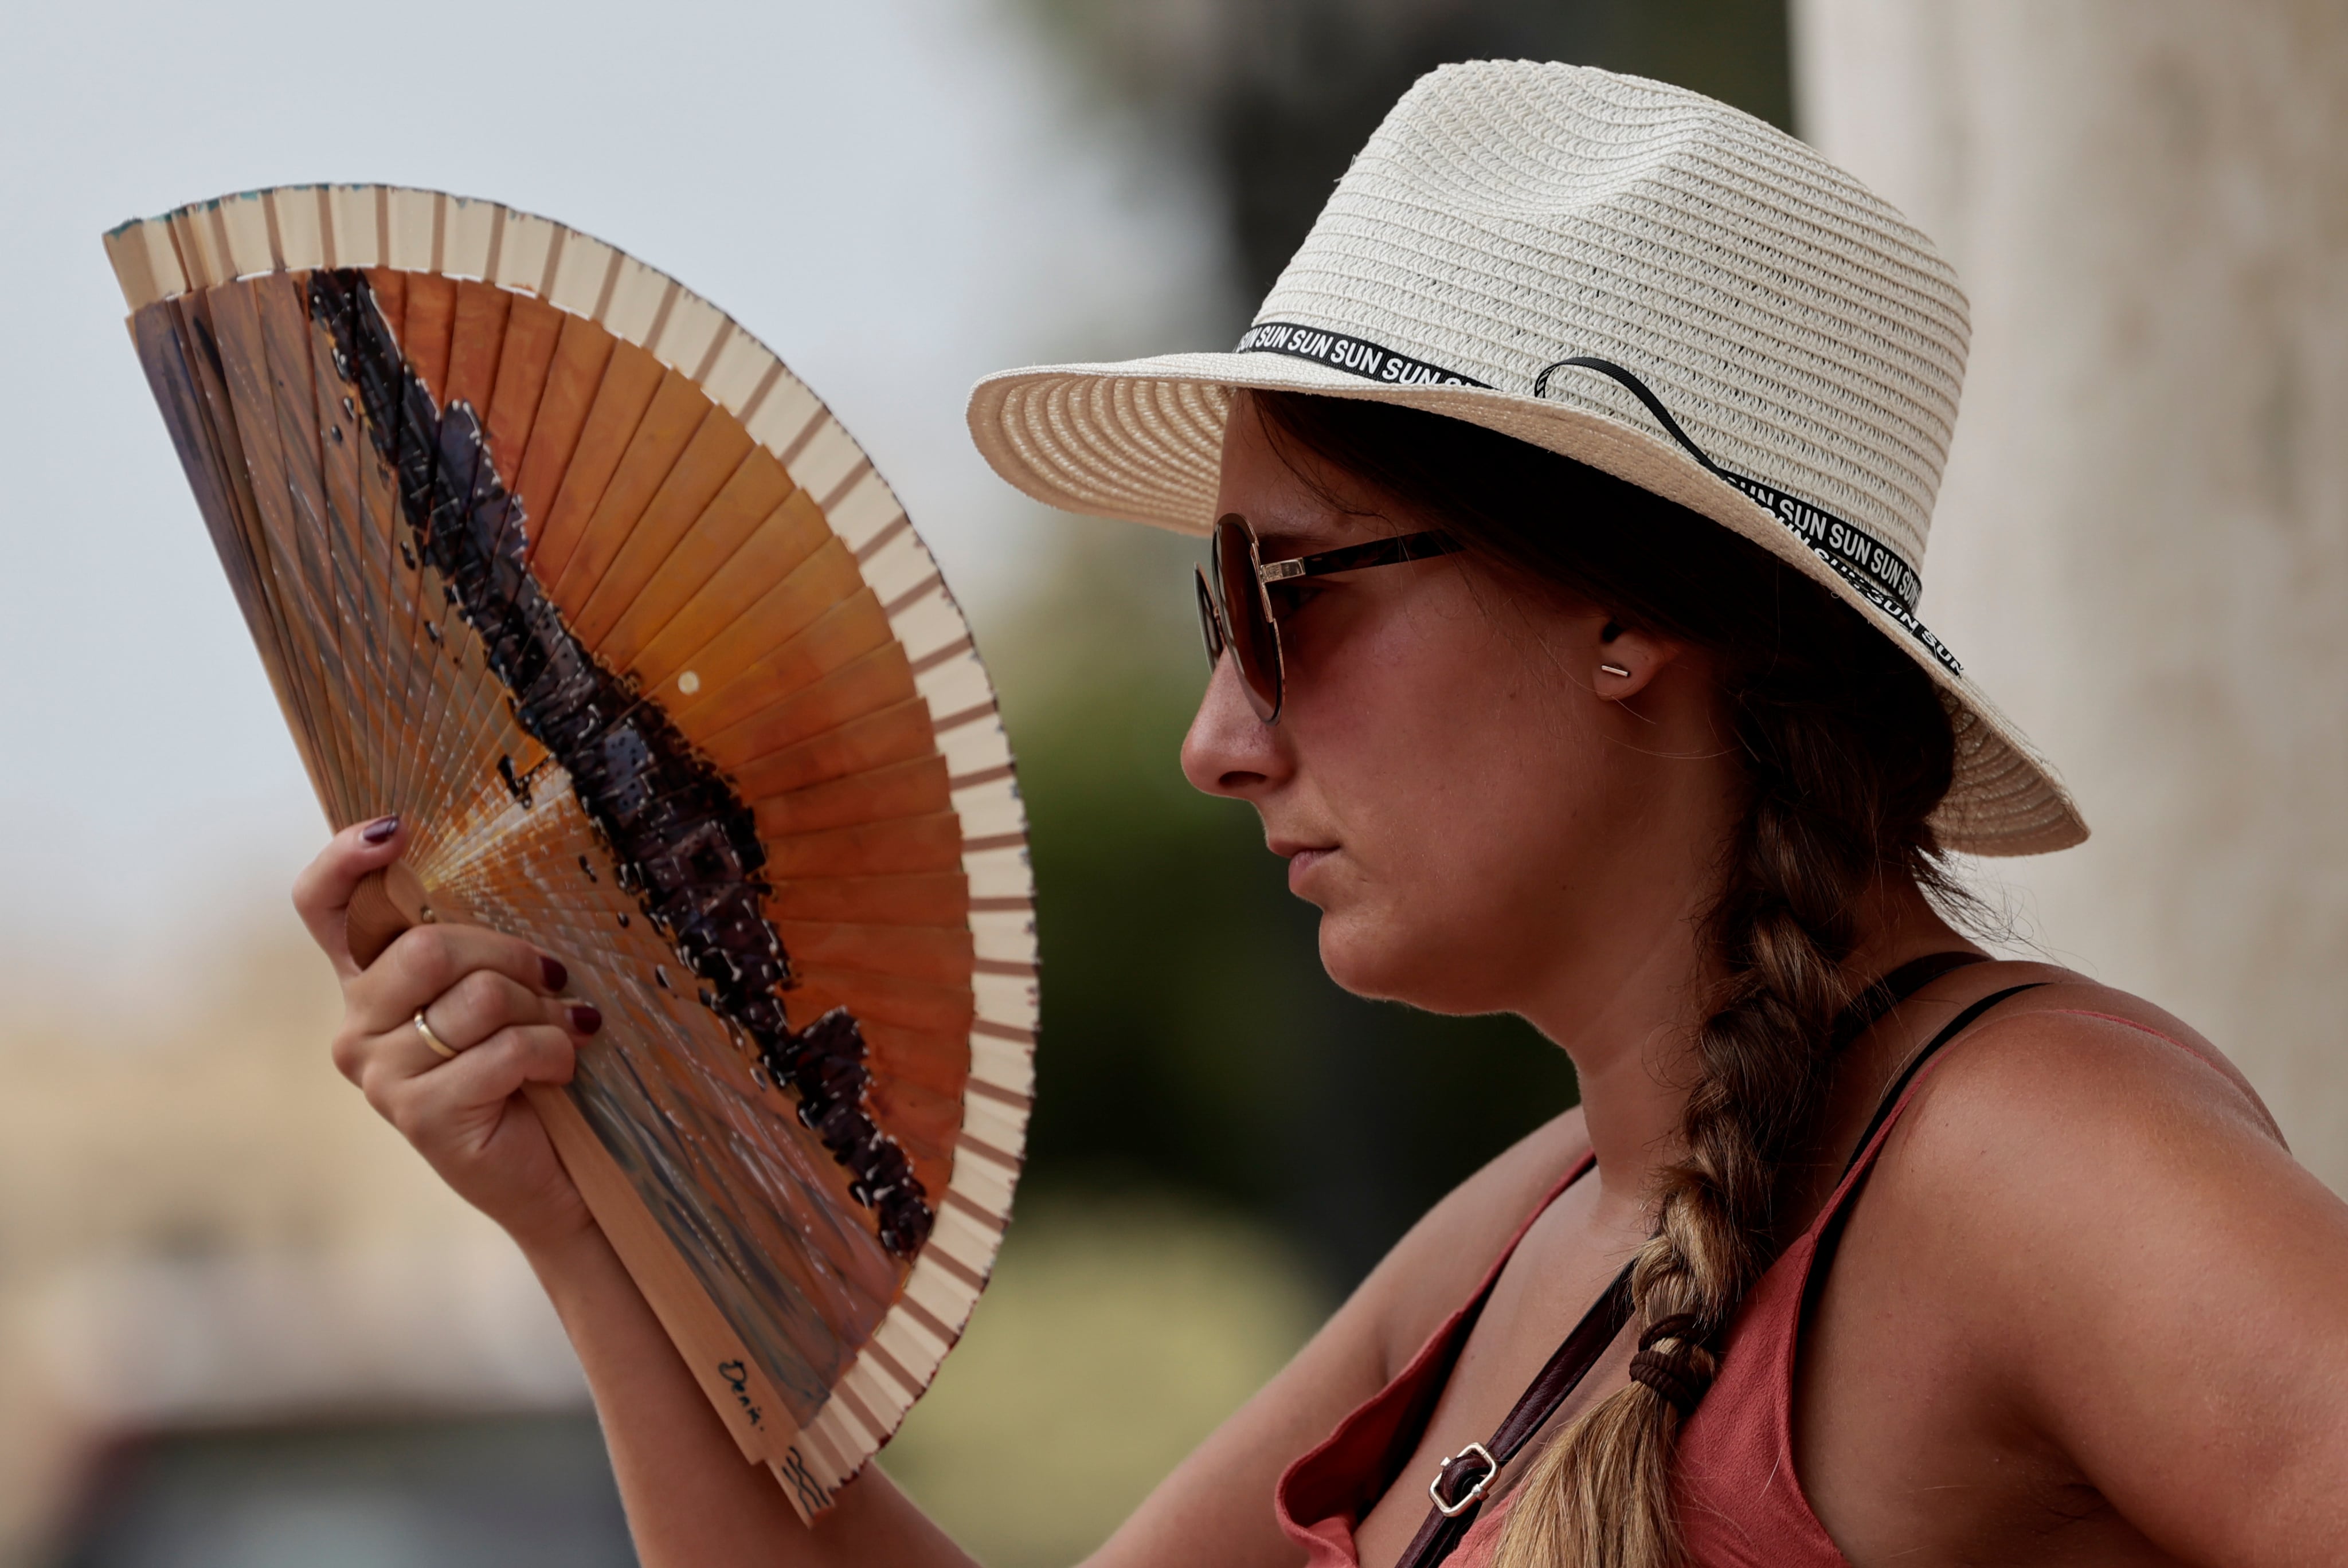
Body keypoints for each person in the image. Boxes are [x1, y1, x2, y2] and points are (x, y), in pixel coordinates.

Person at [294, 61, 2348, 1568]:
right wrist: (590, 1222)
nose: (1217, 736)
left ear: (1632, 610)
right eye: (1217, 612)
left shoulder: (2025, 1164)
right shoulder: (1532, 1237)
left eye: (1287, 597)